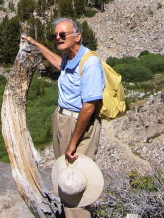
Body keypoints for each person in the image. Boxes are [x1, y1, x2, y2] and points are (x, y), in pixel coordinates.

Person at [22, 17, 105, 216]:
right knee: (64, 176)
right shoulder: (69, 57)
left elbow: (88, 107)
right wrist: (36, 44)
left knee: (77, 178)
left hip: (78, 123)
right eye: (56, 35)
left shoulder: (90, 63)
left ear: (78, 37)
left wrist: (73, 142)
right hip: (62, 119)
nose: (58, 38)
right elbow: (60, 65)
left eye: (62, 34)